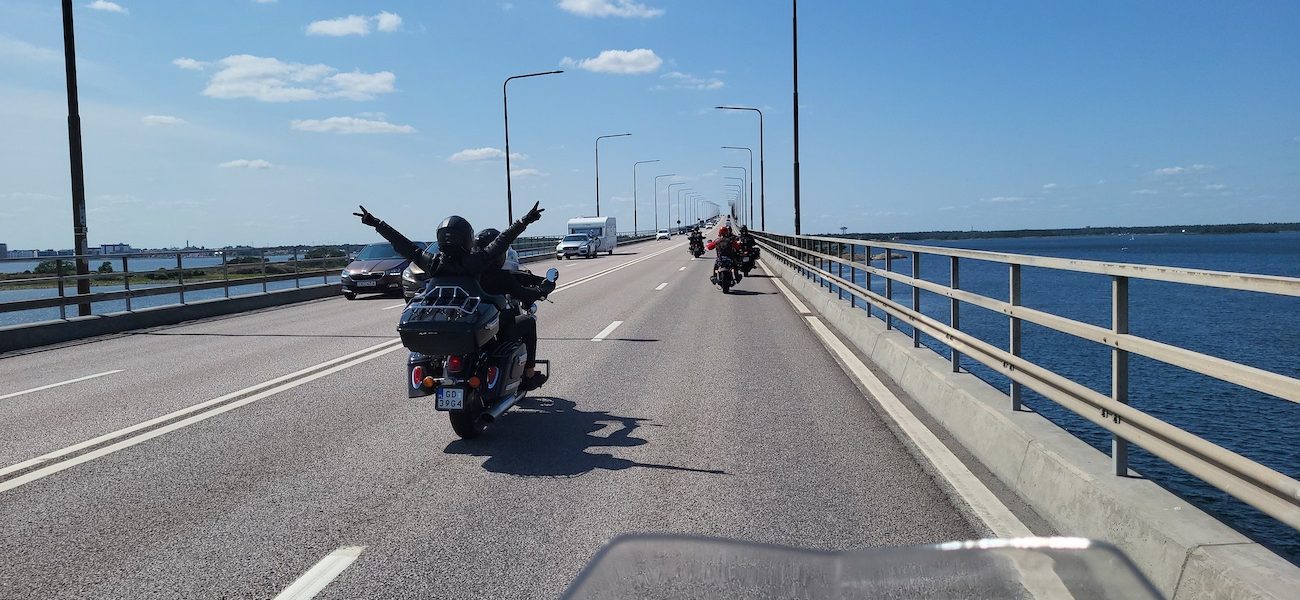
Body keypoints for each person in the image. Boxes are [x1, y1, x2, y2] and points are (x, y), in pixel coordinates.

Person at [354, 202, 550, 390]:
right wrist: (526, 220)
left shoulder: (433, 263)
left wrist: (376, 223)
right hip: (472, 322)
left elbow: (403, 244)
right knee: (527, 323)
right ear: (467, 238)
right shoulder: (476, 262)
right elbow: (502, 241)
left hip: (447, 320)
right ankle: (529, 373)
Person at [473, 228, 556, 391]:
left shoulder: (467, 273)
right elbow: (523, 293)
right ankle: (529, 374)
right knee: (529, 322)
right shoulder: (499, 276)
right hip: (495, 327)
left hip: (471, 327)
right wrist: (541, 291)